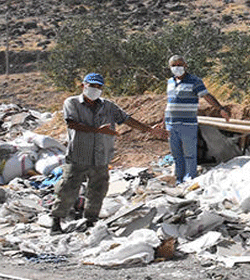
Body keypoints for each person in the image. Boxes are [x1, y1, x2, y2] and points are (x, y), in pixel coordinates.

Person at [50, 73, 164, 234]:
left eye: (98, 87)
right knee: (68, 189)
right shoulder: (72, 102)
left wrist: (150, 130)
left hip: (100, 156)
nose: (95, 90)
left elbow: (127, 119)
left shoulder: (108, 106)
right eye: (92, 86)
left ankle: (90, 221)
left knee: (97, 190)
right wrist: (97, 130)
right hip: (78, 155)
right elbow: (72, 124)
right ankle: (56, 222)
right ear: (83, 86)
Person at [164, 55, 229, 185]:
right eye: (174, 65)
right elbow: (169, 103)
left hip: (187, 124)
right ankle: (179, 179)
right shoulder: (170, 82)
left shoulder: (194, 81)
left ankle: (189, 179)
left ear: (185, 66)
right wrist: (163, 121)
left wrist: (220, 108)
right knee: (177, 154)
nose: (177, 68)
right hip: (171, 124)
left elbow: (206, 95)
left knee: (189, 154)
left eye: (179, 65)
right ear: (170, 67)